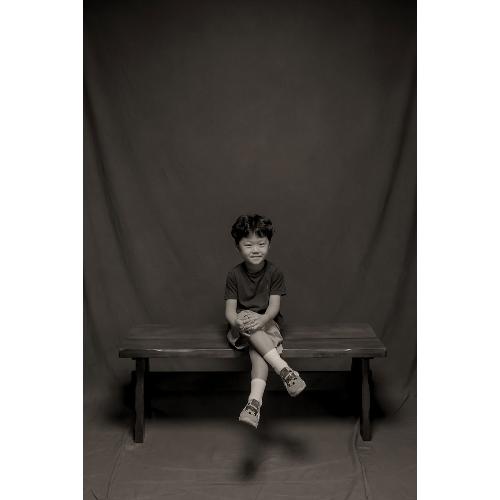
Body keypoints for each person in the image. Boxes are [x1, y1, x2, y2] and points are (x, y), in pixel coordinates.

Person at [224, 214, 306, 429]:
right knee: (244, 316)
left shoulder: (274, 272)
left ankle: (254, 403)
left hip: (267, 324)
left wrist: (262, 320)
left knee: (257, 353)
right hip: (242, 327)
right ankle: (284, 370)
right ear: (238, 247)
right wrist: (238, 323)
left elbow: (273, 308)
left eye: (261, 244)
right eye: (248, 245)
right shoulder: (234, 275)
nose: (255, 249)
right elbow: (230, 312)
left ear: (269, 244)